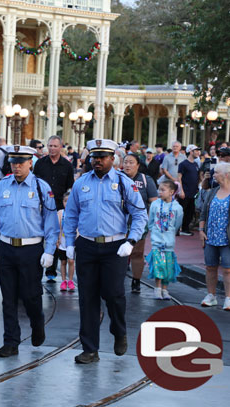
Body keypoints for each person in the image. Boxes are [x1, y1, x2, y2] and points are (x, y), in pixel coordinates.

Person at [63, 139, 147, 364]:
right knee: (87, 299)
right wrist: (69, 243)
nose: (97, 161)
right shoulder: (82, 183)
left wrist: (131, 240)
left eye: (102, 157)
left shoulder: (123, 183)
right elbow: (71, 214)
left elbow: (140, 214)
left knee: (114, 294)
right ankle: (90, 349)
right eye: (94, 157)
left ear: (113, 159)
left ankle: (119, 331)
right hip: (87, 245)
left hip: (115, 247)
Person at [0, 145, 59, 357]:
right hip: (7, 247)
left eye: (21, 162)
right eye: (13, 162)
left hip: (31, 249)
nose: (16, 167)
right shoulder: (2, 187)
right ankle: (11, 341)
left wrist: (50, 250)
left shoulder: (41, 188)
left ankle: (38, 324)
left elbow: (51, 222)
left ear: (30, 163)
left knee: (31, 296)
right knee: (8, 298)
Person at [34, 135, 75, 282]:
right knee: (39, 235)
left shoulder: (67, 165)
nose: (52, 148)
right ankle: (37, 265)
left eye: (55, 146)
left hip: (58, 205)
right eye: (50, 145)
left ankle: (51, 270)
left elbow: (70, 186)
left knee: (57, 236)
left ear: (60, 147)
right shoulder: (40, 164)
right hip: (42, 205)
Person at [122, 154, 158, 293]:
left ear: (138, 165)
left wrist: (149, 221)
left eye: (131, 162)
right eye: (125, 162)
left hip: (138, 223)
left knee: (137, 253)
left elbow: (154, 202)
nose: (128, 165)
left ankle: (136, 281)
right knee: (118, 253)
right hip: (118, 223)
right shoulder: (117, 178)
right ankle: (117, 278)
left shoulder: (145, 180)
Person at [198, 162, 230, 310]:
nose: (213, 175)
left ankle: (228, 298)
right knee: (210, 267)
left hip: (227, 238)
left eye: (216, 172)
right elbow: (203, 213)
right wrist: (201, 230)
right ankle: (211, 295)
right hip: (210, 236)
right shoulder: (212, 192)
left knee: (227, 269)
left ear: (226, 175)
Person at [146, 181, 183, 300]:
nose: (159, 192)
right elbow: (150, 220)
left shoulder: (177, 207)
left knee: (168, 266)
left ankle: (165, 289)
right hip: (157, 241)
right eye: (159, 189)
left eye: (163, 190)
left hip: (169, 241)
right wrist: (154, 231)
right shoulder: (155, 204)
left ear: (171, 192)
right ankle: (157, 288)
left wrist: (170, 232)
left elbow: (177, 224)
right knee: (158, 264)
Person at [177, 145, 201, 236]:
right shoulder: (183, 164)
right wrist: (181, 191)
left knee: (190, 212)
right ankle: (177, 229)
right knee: (181, 212)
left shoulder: (195, 164)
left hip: (193, 193)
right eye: (196, 150)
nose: (198, 152)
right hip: (185, 192)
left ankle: (185, 229)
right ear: (190, 151)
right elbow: (179, 178)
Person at [58, 192, 76, 292]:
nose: (67, 203)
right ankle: (63, 280)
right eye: (65, 201)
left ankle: (70, 280)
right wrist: (57, 239)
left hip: (72, 242)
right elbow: (58, 228)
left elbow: (78, 228)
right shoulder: (61, 213)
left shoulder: (76, 212)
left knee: (71, 261)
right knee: (63, 261)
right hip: (63, 242)